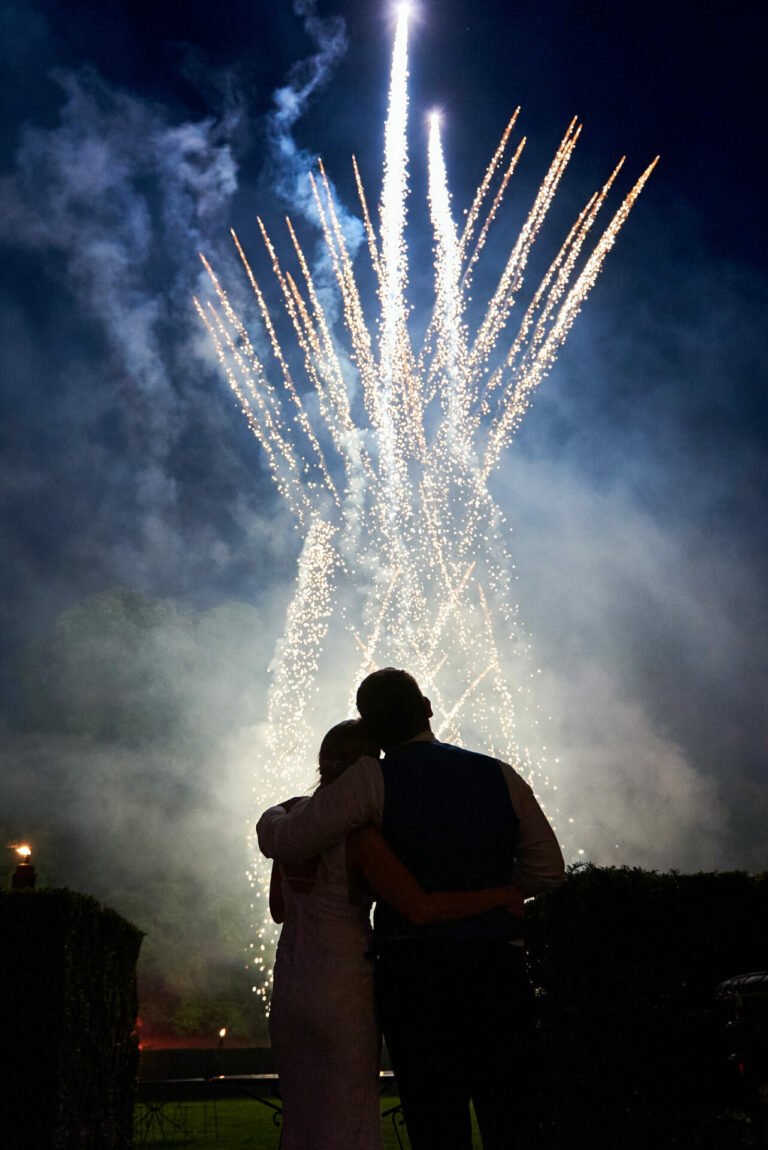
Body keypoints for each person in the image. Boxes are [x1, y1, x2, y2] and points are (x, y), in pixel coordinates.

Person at [258, 669, 565, 1150]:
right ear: (427, 707)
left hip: (415, 973)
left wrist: (275, 815)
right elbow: (548, 870)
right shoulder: (499, 773)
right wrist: (503, 893)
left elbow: (294, 840)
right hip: (497, 967)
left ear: (370, 724)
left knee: (435, 1123)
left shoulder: (370, 780)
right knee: (512, 1118)